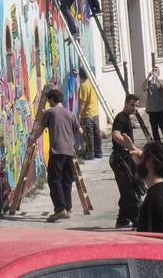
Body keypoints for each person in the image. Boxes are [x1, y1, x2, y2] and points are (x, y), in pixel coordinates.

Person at [27, 86, 82, 222]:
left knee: (54, 180)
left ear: (52, 99)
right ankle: (67, 209)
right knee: (66, 181)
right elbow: (80, 131)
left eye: (48, 100)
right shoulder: (70, 114)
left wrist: (32, 140)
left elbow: (40, 129)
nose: (48, 103)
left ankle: (60, 209)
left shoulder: (50, 113)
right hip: (69, 152)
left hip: (57, 151)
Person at [110, 94, 144, 228]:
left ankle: (123, 219)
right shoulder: (121, 118)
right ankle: (138, 220)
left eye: (136, 106)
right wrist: (129, 146)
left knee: (128, 189)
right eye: (132, 105)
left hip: (125, 157)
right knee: (130, 191)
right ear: (125, 104)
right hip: (120, 159)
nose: (134, 108)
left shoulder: (126, 118)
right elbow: (116, 134)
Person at [77, 71, 103, 160]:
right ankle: (98, 152)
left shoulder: (83, 86)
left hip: (87, 114)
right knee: (96, 133)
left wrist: (79, 114)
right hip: (95, 112)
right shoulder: (91, 82)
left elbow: (82, 102)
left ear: (80, 76)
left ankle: (90, 154)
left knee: (89, 135)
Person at [144, 66, 163, 145]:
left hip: (161, 109)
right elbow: (143, 88)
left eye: (156, 70)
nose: (154, 72)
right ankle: (157, 144)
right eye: (153, 70)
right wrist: (148, 77)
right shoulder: (149, 82)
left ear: (159, 72)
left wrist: (157, 79)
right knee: (154, 129)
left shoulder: (162, 81)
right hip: (152, 110)